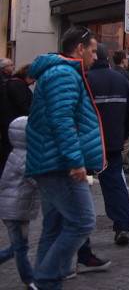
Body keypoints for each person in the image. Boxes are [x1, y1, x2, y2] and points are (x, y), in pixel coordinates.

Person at [26, 26, 107, 289]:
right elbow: (62, 122)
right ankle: (46, 278)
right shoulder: (63, 74)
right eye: (93, 51)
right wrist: (75, 161)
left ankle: (47, 280)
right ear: (80, 49)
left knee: (55, 224)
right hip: (60, 164)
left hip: (49, 162)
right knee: (83, 221)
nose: (96, 57)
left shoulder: (57, 72)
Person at [86, 44, 129, 246]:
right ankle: (122, 225)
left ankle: (84, 227)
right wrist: (124, 134)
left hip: (89, 145)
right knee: (114, 184)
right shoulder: (120, 79)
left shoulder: (86, 80)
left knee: (85, 184)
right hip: (112, 144)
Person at [0, 116, 40, 289]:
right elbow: (37, 180)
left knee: (18, 246)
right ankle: (29, 280)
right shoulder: (24, 157)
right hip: (14, 209)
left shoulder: (19, 153)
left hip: (17, 208)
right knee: (21, 248)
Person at [0, 63, 33, 173]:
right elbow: (23, 105)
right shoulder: (16, 84)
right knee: (8, 150)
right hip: (11, 123)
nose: (34, 82)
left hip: (11, 123)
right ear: (27, 75)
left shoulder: (17, 84)